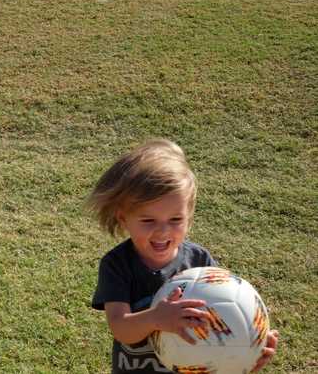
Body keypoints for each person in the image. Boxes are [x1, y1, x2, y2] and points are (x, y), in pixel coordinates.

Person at [89, 139, 278, 374]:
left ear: (189, 215)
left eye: (176, 220)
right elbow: (120, 327)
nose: (163, 231)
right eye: (148, 220)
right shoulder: (117, 264)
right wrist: (156, 319)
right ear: (123, 217)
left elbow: (222, 318)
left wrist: (247, 348)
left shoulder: (200, 261)